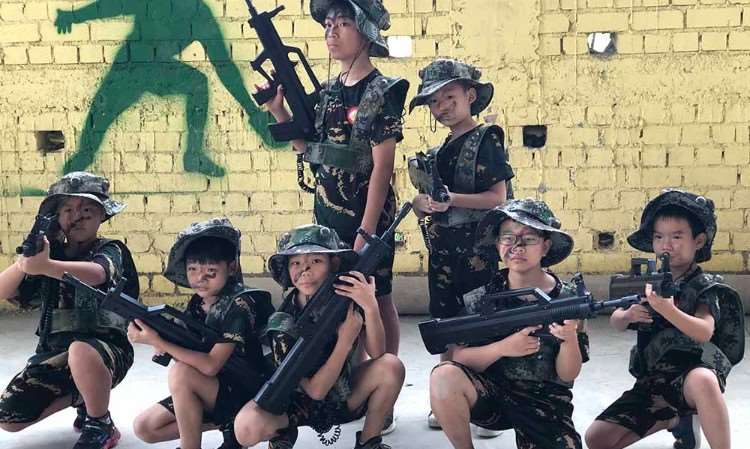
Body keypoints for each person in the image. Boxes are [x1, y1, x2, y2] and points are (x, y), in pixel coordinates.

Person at [262, 0, 409, 359]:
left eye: (343, 24)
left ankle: (385, 375)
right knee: (337, 296)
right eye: (328, 25)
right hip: (327, 213)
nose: (332, 32)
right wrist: (278, 110)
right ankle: (352, 373)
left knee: (376, 293)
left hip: (367, 213)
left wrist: (367, 231)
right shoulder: (328, 91)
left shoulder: (382, 91)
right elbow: (308, 149)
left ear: (366, 32)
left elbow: (383, 168)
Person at [585, 190, 744, 449]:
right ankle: (675, 420)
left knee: (703, 380)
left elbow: (704, 331)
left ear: (698, 240)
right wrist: (628, 315)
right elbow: (615, 321)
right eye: (659, 237)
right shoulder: (646, 281)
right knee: (597, 440)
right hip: (654, 382)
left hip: (691, 378)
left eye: (677, 237)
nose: (666, 245)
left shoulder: (704, 286)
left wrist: (667, 309)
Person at [407, 58, 514, 434]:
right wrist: (420, 203)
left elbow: (498, 198)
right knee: (445, 326)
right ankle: (444, 399)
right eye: (434, 102)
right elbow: (430, 201)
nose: (442, 107)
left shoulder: (486, 139)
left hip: (477, 254)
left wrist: (451, 200)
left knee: (481, 324)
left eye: (449, 97)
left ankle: (487, 403)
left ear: (470, 95)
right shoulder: (439, 152)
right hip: (443, 256)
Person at [429, 198, 589, 449]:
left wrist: (569, 339)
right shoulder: (483, 297)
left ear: (546, 246)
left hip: (545, 403)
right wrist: (504, 348)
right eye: (508, 237)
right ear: (497, 244)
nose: (517, 246)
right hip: (492, 395)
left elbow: (568, 374)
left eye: (529, 238)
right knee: (444, 376)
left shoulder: (568, 300)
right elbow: (460, 358)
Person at [0, 171, 139, 449]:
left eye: (87, 210)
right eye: (68, 210)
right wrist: (25, 262)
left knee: (81, 349)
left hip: (107, 352)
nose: (78, 217)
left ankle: (100, 423)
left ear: (102, 216)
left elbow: (98, 273)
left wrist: (47, 266)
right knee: (9, 417)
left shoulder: (111, 249)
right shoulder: (50, 255)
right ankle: (86, 398)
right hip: (56, 355)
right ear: (57, 218)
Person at [233, 224, 405, 449]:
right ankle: (283, 434)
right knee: (246, 427)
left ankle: (369, 441)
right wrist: (345, 340)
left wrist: (370, 307)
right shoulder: (282, 323)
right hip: (295, 407)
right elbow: (315, 391)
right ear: (287, 270)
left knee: (391, 366)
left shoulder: (345, 297)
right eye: (295, 263)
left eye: (316, 261)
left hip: (342, 396)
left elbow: (378, 352)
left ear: (333, 264)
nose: (305, 270)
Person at [130, 218, 273, 449]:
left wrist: (160, 342)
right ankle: (227, 422)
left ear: (232, 268)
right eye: (193, 269)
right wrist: (158, 341)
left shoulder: (241, 304)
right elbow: (191, 351)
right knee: (145, 427)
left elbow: (210, 365)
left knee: (181, 373)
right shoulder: (198, 303)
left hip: (248, 393)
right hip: (216, 388)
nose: (200, 278)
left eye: (211, 271)